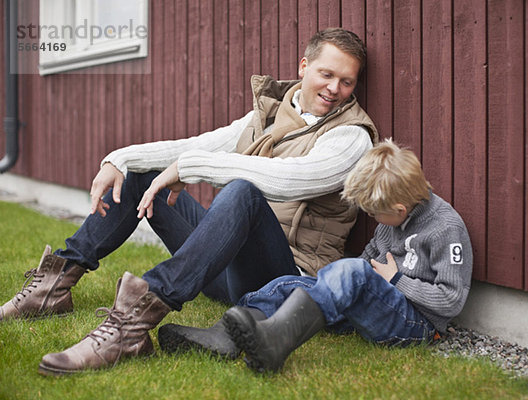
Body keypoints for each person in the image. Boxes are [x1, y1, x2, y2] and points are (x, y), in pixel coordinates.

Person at [0, 28, 378, 376]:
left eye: (347, 82)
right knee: (145, 174)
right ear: (304, 66)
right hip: (226, 266)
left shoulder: (351, 137)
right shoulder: (272, 113)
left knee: (243, 191)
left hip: (284, 277)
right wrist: (120, 158)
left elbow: (294, 180)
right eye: (327, 75)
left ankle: (132, 325)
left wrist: (191, 168)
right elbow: (196, 146)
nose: (335, 88)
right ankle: (55, 283)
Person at [213, 140, 473, 373]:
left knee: (352, 274)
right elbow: (365, 260)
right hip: (379, 304)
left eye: (374, 213)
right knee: (290, 284)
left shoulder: (445, 228)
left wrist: (396, 279)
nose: (373, 218)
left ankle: (275, 342)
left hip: (416, 324)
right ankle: (233, 332)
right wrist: (333, 286)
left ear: (399, 209)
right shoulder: (392, 219)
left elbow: (451, 300)